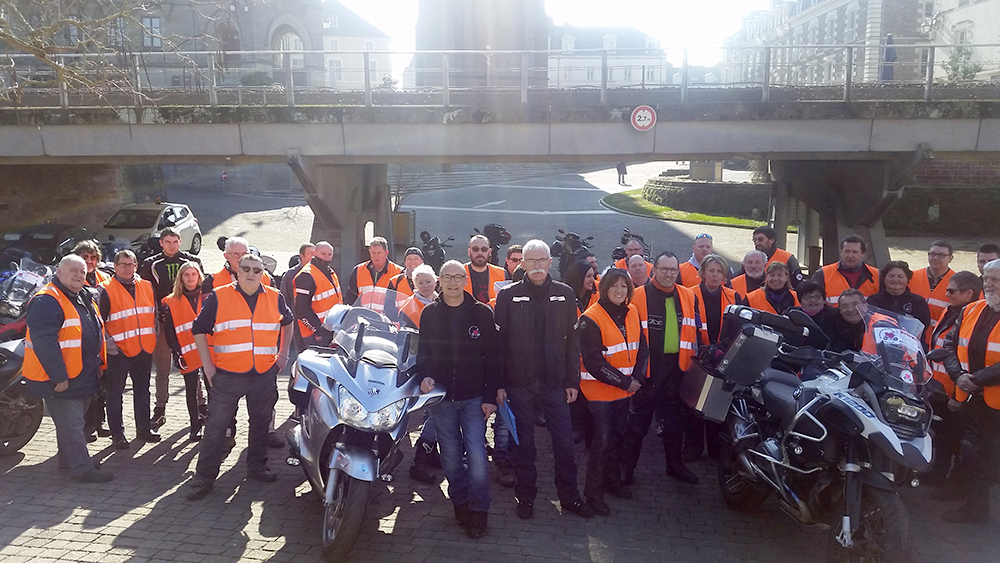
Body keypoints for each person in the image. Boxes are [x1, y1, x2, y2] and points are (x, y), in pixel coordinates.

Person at [493, 239, 596, 520]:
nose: (537, 266)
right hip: (519, 384)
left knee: (564, 444)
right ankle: (525, 497)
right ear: (522, 264)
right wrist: (499, 384)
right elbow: (498, 345)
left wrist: (572, 381)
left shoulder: (565, 294)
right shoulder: (508, 296)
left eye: (542, 260)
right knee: (524, 445)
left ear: (550, 262)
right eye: (531, 261)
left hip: (555, 385)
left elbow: (573, 343)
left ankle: (570, 498)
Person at [185, 253, 294, 501]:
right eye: (246, 268)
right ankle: (203, 478)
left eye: (257, 270)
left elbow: (288, 322)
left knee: (260, 423)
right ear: (237, 271)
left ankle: (257, 466)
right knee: (215, 427)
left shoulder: (275, 297)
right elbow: (199, 330)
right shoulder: (219, 296)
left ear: (263, 273)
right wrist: (207, 367)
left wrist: (284, 354)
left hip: (264, 373)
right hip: (227, 375)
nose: (252, 274)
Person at [417, 260, 500, 538]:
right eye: (447, 277)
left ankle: (479, 509)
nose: (452, 282)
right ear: (439, 280)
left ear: (466, 280)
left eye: (458, 277)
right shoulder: (429, 314)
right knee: (451, 458)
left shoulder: (481, 313)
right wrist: (425, 376)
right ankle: (460, 501)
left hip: (475, 398)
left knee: (477, 456)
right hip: (442, 400)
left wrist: (490, 397)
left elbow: (492, 358)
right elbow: (424, 353)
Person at [23, 255, 111, 483]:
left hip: (81, 372)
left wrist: (98, 365)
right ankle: (82, 469)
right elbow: (44, 342)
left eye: (82, 272)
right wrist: (58, 375)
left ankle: (68, 461)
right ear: (59, 272)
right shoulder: (47, 300)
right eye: (73, 270)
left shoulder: (81, 295)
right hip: (62, 377)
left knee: (72, 422)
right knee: (72, 424)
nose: (79, 275)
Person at [621, 251, 702, 486]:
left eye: (673, 270)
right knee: (637, 425)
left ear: (678, 271)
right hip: (647, 370)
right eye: (664, 269)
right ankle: (627, 469)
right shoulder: (637, 296)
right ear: (653, 270)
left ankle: (675, 466)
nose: (668, 274)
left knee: (675, 423)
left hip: (677, 368)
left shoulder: (688, 295)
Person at [577, 268, 648, 516]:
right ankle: (593, 494)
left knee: (618, 438)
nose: (619, 291)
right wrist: (625, 382)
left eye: (624, 286)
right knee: (603, 441)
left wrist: (638, 377)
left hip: (624, 390)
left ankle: (612, 481)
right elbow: (594, 362)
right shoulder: (590, 318)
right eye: (614, 286)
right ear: (604, 288)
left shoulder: (633, 312)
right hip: (599, 392)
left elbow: (642, 348)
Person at [939, 258, 1000, 523]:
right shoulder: (971, 310)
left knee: (988, 459)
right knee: (972, 455)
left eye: (995, 280)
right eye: (986, 279)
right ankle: (975, 510)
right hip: (973, 399)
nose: (988, 285)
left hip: (995, 402)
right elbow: (950, 345)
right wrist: (958, 376)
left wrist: (975, 378)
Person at [140, 227, 204, 432]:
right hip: (162, 321)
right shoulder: (151, 264)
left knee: (195, 363)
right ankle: (160, 409)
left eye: (175, 241)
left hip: (187, 322)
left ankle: (201, 405)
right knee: (163, 368)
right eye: (167, 242)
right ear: (161, 243)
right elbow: (145, 293)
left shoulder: (190, 261)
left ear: (179, 241)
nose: (171, 245)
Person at [923, 271, 981, 495]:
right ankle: (937, 475)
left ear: (969, 293)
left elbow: (966, 362)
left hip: (956, 391)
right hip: (939, 387)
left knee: (956, 442)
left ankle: (955, 486)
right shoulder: (951, 311)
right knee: (942, 437)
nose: (946, 294)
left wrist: (958, 396)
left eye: (951, 290)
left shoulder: (972, 319)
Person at [100, 250, 160, 449]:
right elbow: (99, 323)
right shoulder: (105, 289)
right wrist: (110, 346)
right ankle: (117, 434)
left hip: (144, 348)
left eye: (131, 264)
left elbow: (153, 313)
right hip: (119, 351)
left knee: (142, 390)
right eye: (123, 264)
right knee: (114, 393)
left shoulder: (147, 286)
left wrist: (155, 337)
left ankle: (144, 428)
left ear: (136, 266)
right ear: (115, 267)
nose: (127, 268)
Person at [688, 254, 742, 461]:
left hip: (723, 357)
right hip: (697, 355)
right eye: (711, 270)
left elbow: (740, 329)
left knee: (717, 404)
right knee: (694, 404)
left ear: (725, 275)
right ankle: (693, 446)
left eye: (719, 271)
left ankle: (715, 447)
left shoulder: (734, 297)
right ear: (702, 273)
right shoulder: (689, 294)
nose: (715, 274)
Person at [399, 265, 444, 484]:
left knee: (432, 411)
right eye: (420, 283)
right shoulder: (409, 306)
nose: (425, 286)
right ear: (414, 285)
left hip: (441, 363)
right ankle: (419, 460)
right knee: (436, 413)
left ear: (436, 280)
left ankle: (431, 453)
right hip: (423, 365)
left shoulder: (441, 299)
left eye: (428, 281)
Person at [161, 261, 210, 441]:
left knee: (212, 388)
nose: (190, 278)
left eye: (193, 274)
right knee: (191, 390)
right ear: (180, 278)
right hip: (187, 352)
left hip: (209, 350)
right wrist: (177, 353)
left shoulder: (209, 296)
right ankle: (195, 425)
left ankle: (212, 424)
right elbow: (170, 330)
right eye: (186, 275)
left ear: (199, 276)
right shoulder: (170, 301)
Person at [73, 240, 111, 443]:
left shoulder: (104, 279)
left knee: (102, 383)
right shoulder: (74, 279)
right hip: (84, 340)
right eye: (85, 257)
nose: (89, 261)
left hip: (104, 338)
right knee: (88, 384)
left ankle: (99, 422)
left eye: (92, 257)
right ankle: (87, 427)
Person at [866, 260, 931, 348]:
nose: (895, 280)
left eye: (900, 276)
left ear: (907, 279)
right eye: (891, 276)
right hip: (880, 347)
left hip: (911, 349)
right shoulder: (873, 300)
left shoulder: (918, 301)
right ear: (884, 278)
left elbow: (923, 325)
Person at [292, 241, 341, 347]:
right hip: (315, 334)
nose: (326, 257)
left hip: (332, 330)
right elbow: (301, 310)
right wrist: (318, 331)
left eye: (329, 254)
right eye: (323, 253)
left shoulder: (330, 272)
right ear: (314, 253)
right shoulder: (306, 276)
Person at [811, 235, 879, 306]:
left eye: (855, 252)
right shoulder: (823, 274)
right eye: (847, 251)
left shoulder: (877, 275)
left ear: (862, 254)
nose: (850, 256)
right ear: (841, 252)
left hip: (867, 317)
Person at [909, 240, 955, 342]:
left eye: (941, 255)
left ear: (950, 258)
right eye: (932, 254)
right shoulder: (911, 277)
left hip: (940, 340)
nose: (935, 258)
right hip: (912, 338)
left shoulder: (957, 282)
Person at [279, 242, 316, 370]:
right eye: (311, 253)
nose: (314, 256)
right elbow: (284, 299)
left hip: (315, 323)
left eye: (315, 253)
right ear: (302, 256)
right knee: (302, 356)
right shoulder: (290, 275)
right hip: (298, 323)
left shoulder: (319, 273)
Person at [343, 237, 402, 312]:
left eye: (379, 253)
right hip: (362, 318)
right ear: (369, 252)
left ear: (386, 253)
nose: (376, 256)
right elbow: (351, 296)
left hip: (386, 320)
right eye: (373, 253)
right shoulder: (358, 270)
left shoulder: (398, 272)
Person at [203, 236, 274, 291]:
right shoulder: (213, 280)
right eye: (235, 255)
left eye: (244, 254)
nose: (241, 258)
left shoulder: (266, 278)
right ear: (226, 256)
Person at [789, 279, 843, 347]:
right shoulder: (792, 314)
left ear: (823, 299)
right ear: (800, 301)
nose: (813, 300)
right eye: (808, 297)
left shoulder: (836, 315)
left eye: (817, 297)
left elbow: (843, 340)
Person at [464, 235, 507, 305]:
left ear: (490, 252)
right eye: (475, 249)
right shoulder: (459, 273)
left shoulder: (502, 274)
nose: (480, 253)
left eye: (484, 249)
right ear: (469, 252)